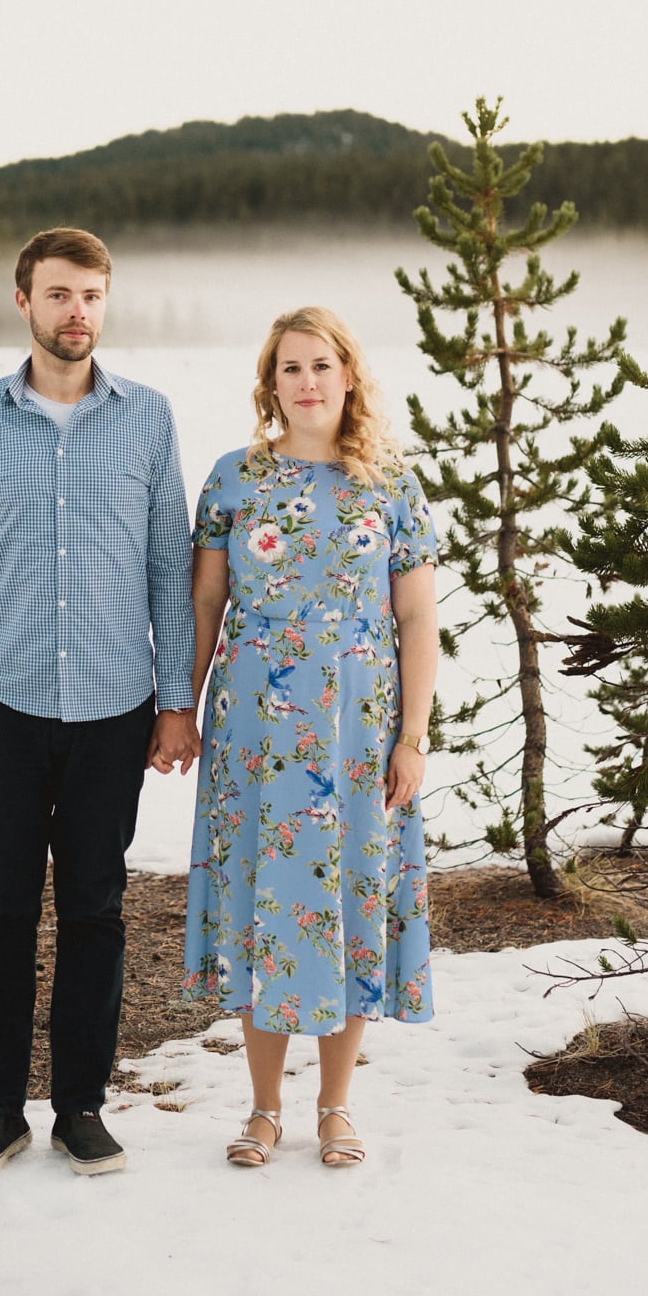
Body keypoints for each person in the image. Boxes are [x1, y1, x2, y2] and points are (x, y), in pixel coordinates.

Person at [0, 228, 199, 1179]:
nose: (77, 312)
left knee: (94, 909)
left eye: (91, 296)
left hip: (117, 707)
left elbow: (170, 568)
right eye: (59, 295)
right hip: (3, 700)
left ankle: (81, 1104)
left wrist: (175, 701)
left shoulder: (148, 419)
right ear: (24, 303)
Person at [182, 306, 438, 1167]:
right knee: (266, 902)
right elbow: (206, 606)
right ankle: (260, 1109)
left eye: (321, 365)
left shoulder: (390, 486)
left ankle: (335, 1106)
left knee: (350, 896)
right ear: (270, 383)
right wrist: (178, 707)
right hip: (255, 730)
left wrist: (413, 736)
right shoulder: (234, 480)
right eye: (290, 368)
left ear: (349, 375)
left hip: (358, 732)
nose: (307, 382)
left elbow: (415, 620)